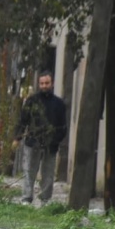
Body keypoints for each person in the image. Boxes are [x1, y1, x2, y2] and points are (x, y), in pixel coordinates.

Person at [13, 71, 67, 205]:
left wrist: (56, 140)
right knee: (29, 171)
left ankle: (45, 200)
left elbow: (63, 126)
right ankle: (26, 198)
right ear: (39, 84)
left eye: (47, 83)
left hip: (51, 144)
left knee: (48, 173)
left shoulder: (59, 103)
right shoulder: (31, 101)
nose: (44, 86)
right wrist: (17, 138)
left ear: (52, 84)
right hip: (32, 142)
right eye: (42, 83)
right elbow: (23, 120)